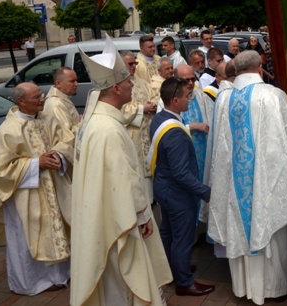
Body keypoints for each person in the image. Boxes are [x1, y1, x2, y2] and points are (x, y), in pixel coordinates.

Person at [71, 35, 171, 305]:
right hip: (118, 221)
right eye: (127, 82)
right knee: (122, 279)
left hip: (102, 215)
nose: (131, 85)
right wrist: (141, 217)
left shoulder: (95, 121)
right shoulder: (108, 129)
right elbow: (123, 180)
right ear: (115, 88)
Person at [208, 51, 287, 304]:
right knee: (271, 232)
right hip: (267, 183)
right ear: (260, 68)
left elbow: (218, 149)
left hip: (234, 186)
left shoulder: (224, 99)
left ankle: (244, 287)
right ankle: (273, 289)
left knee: (240, 229)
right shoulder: (273, 96)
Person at [0, 82, 72, 295]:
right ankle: (31, 283)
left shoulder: (47, 119)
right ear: (21, 101)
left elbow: (66, 141)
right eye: (36, 97)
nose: (42, 98)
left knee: (56, 231)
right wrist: (36, 164)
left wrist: (58, 156)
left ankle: (59, 276)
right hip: (24, 196)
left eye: (41, 94)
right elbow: (0, 171)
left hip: (52, 189)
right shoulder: (7, 131)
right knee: (27, 240)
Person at [148, 77, 215, 296]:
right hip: (177, 193)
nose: (189, 100)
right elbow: (181, 172)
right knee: (182, 238)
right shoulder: (175, 132)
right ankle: (184, 282)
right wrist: (205, 192)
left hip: (163, 188)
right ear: (175, 100)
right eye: (186, 97)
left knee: (168, 232)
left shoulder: (160, 119)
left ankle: (174, 269)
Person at [173, 64, 213, 225]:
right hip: (183, 154)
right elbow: (167, 128)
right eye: (186, 80)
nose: (190, 83)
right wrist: (192, 126)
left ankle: (202, 223)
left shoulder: (200, 95)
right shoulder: (169, 99)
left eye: (192, 79)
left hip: (202, 151)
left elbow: (211, 115)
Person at [120, 51, 158, 199]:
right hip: (132, 135)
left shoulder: (142, 83)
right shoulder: (118, 87)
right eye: (130, 64)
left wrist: (153, 104)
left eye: (135, 63)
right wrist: (142, 108)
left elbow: (155, 96)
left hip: (148, 132)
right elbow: (121, 111)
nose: (134, 66)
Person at [43, 67, 80, 156]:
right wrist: (81, 124)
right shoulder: (55, 104)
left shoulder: (62, 98)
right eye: (72, 81)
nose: (77, 84)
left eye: (76, 80)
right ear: (58, 83)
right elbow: (65, 138)